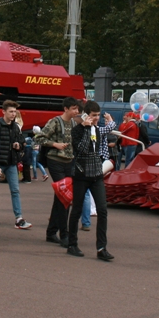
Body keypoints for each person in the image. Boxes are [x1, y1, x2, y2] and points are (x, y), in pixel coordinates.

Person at [67, 100, 115, 261]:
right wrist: (86, 128)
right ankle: (72, 244)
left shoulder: (98, 130)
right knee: (77, 209)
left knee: (102, 210)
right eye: (94, 115)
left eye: (98, 115)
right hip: (81, 175)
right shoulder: (77, 130)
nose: (96, 118)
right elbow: (81, 149)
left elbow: (98, 150)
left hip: (96, 175)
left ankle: (101, 248)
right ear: (86, 115)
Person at [35, 97, 81, 247]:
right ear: (66, 109)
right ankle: (64, 234)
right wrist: (55, 144)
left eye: (77, 109)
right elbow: (39, 138)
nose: (76, 111)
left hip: (69, 162)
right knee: (64, 195)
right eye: (73, 109)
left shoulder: (74, 123)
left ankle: (51, 232)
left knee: (60, 197)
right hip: (55, 161)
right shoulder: (55, 122)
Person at [0, 100, 32, 230]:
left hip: (11, 163)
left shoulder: (15, 127)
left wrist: (18, 145)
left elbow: (21, 142)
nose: (13, 114)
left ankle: (19, 218)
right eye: (11, 111)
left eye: (15, 111)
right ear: (3, 112)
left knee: (15, 190)